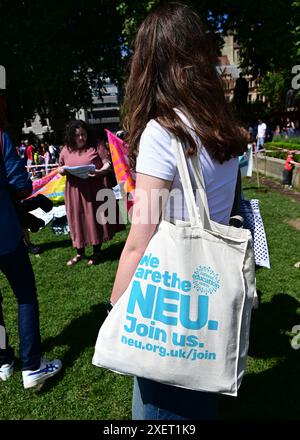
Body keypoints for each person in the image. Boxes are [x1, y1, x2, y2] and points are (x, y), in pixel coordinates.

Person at [108, 2, 248, 420]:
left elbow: (139, 239)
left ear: (149, 64)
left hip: (166, 306)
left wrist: (116, 309)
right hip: (212, 303)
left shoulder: (162, 133)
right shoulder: (223, 130)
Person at [0, 126, 62, 388]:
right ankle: (31, 365)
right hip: (5, 233)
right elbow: (22, 185)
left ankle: (3, 361)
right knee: (25, 296)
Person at [58, 120, 124, 266]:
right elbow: (60, 167)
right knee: (77, 220)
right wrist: (62, 170)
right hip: (74, 191)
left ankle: (96, 251)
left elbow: (107, 163)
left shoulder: (96, 145)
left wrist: (100, 171)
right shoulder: (66, 149)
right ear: (71, 136)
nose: (81, 138)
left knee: (94, 219)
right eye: (77, 136)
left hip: (95, 188)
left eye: (83, 134)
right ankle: (79, 253)